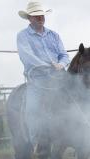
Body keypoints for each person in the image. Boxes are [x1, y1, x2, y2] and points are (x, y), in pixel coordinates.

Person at [17, 2, 70, 148]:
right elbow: (27, 56)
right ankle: (34, 142)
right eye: (36, 16)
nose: (40, 17)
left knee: (76, 97)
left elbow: (64, 55)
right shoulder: (22, 36)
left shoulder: (54, 35)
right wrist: (48, 66)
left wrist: (62, 64)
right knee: (32, 109)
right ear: (29, 18)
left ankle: (75, 135)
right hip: (37, 80)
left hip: (58, 77)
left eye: (42, 15)